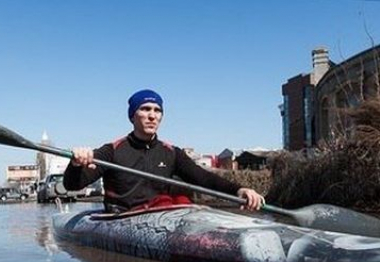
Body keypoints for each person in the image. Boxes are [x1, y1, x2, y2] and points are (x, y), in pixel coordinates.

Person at [64, 89, 265, 213]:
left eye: (157, 110)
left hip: (163, 214)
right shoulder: (111, 151)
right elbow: (72, 184)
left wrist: (239, 190)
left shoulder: (171, 152)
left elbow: (203, 178)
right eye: (145, 109)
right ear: (133, 116)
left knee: (183, 197)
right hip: (122, 217)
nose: (152, 115)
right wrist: (75, 164)